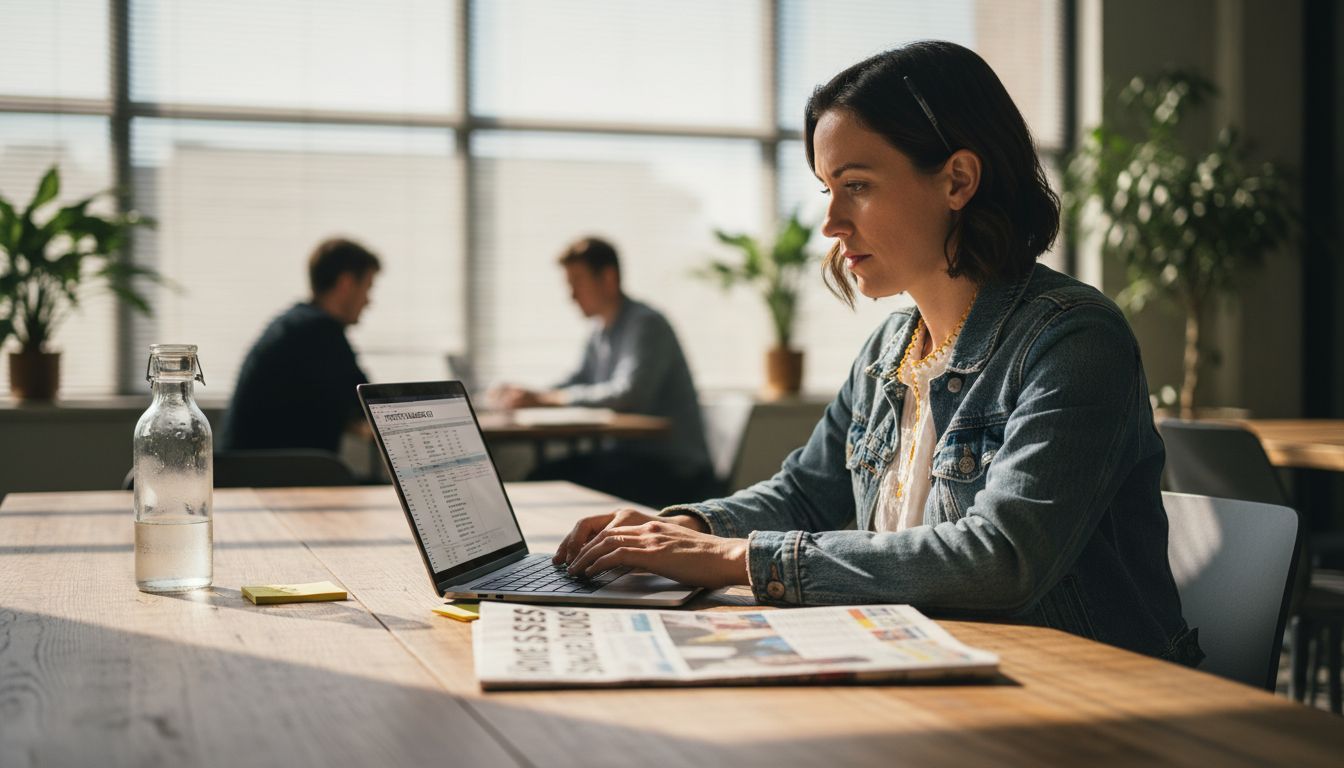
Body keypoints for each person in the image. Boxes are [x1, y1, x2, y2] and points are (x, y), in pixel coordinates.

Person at [551, 41, 1202, 664]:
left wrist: (737, 558)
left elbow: (1001, 559)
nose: (831, 221)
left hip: (1084, 698)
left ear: (958, 180)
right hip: (928, 664)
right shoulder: (891, 348)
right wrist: (687, 526)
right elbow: (807, 495)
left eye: (855, 184)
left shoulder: (1074, 339)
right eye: (826, 188)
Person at [492, 237, 715, 509]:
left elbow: (629, 394)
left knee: (547, 479)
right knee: (545, 477)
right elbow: (578, 379)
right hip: (628, 458)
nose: (571, 295)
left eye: (577, 282)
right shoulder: (600, 332)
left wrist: (551, 399)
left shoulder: (646, 324)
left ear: (608, 278)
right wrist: (533, 394)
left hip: (670, 468)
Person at [220, 237, 380, 455]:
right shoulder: (320, 332)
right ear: (346, 283)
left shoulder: (295, 324)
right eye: (367, 287)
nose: (368, 301)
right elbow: (371, 408)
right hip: (273, 473)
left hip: (247, 467)